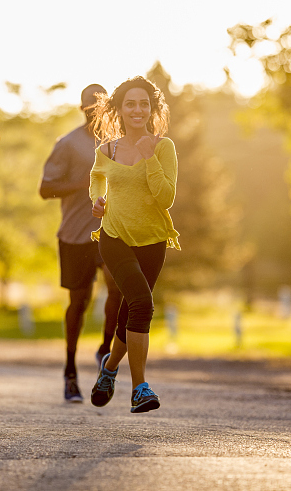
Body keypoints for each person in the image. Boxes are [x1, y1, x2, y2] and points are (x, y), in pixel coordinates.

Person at [88, 76, 179, 413]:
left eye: (144, 103)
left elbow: (166, 198)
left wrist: (149, 158)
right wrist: (98, 201)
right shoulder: (106, 150)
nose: (137, 109)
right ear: (120, 109)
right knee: (143, 303)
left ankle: (109, 369)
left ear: (152, 108)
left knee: (131, 309)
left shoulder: (163, 147)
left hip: (153, 240)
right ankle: (140, 387)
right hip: (113, 238)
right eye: (131, 104)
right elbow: (97, 179)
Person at [39, 84, 123, 403]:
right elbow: (46, 189)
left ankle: (104, 350)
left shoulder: (120, 144)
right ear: (82, 109)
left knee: (117, 286)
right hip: (75, 234)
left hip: (112, 230)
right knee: (80, 300)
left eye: (101, 106)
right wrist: (87, 181)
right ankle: (70, 371)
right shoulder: (68, 144)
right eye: (90, 106)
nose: (95, 112)